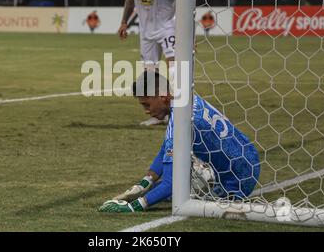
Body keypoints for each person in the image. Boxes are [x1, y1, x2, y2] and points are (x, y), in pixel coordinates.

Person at [99, 71, 261, 213]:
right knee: (170, 179)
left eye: (147, 104)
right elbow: (166, 148)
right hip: (250, 157)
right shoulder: (188, 98)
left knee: (177, 192)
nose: (146, 111)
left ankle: (205, 173)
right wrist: (144, 183)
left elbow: (171, 183)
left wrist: (134, 206)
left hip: (236, 183)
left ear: (162, 96)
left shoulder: (179, 123)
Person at [117, 0, 177, 126]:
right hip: (146, 31)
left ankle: (178, 114)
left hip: (168, 26)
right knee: (150, 74)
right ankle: (159, 114)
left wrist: (187, 33)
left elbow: (184, 2)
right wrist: (124, 22)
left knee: (175, 69)